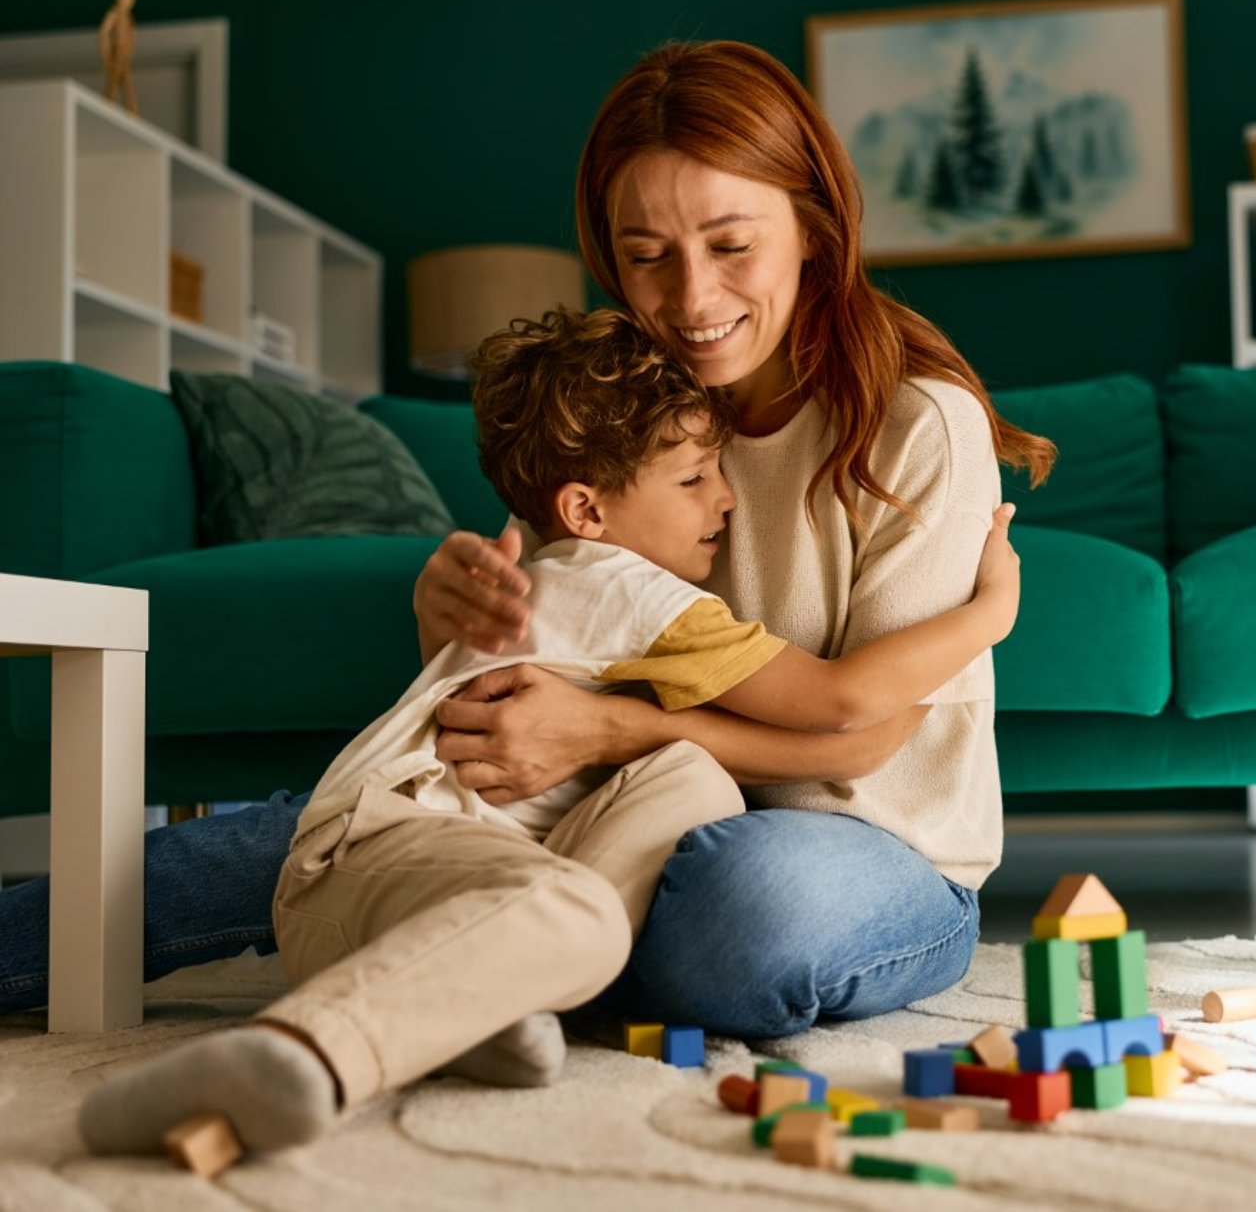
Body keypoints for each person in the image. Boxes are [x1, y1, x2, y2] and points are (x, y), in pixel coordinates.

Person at [0, 37, 1053, 1044]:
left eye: (732, 246)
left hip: (863, 849)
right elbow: (526, 669)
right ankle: (512, 955)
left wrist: (610, 732)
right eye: (647, 257)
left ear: (814, 227)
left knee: (740, 908)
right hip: (614, 815)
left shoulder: (916, 421)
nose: (691, 299)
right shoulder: (637, 404)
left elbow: (862, 736)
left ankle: (495, 957)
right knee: (320, 839)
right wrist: (448, 613)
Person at [72, 304, 1021, 1158]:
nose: (724, 504)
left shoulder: (585, 559)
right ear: (587, 510)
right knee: (578, 913)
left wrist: (618, 727)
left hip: (436, 847)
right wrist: (991, 614)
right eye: (696, 480)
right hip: (386, 850)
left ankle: (491, 997)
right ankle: (296, 1054)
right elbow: (836, 707)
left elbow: (738, 740)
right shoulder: (628, 588)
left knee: (684, 779)